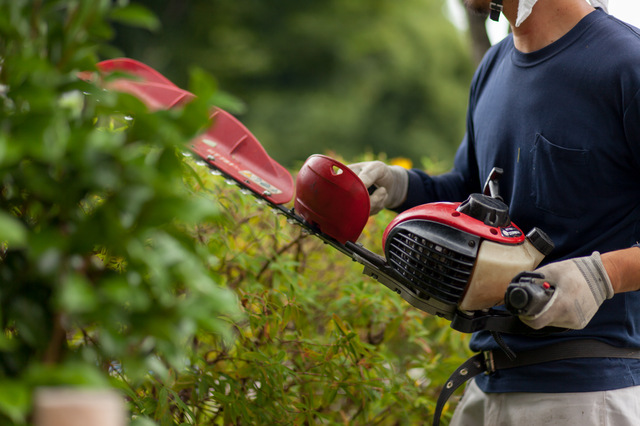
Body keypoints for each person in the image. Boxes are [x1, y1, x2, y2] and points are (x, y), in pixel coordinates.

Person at [349, 0, 640, 424]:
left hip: (587, 391)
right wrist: (399, 186)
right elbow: (471, 193)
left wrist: (604, 275)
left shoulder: (626, 65)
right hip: (487, 384)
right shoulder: (494, 66)